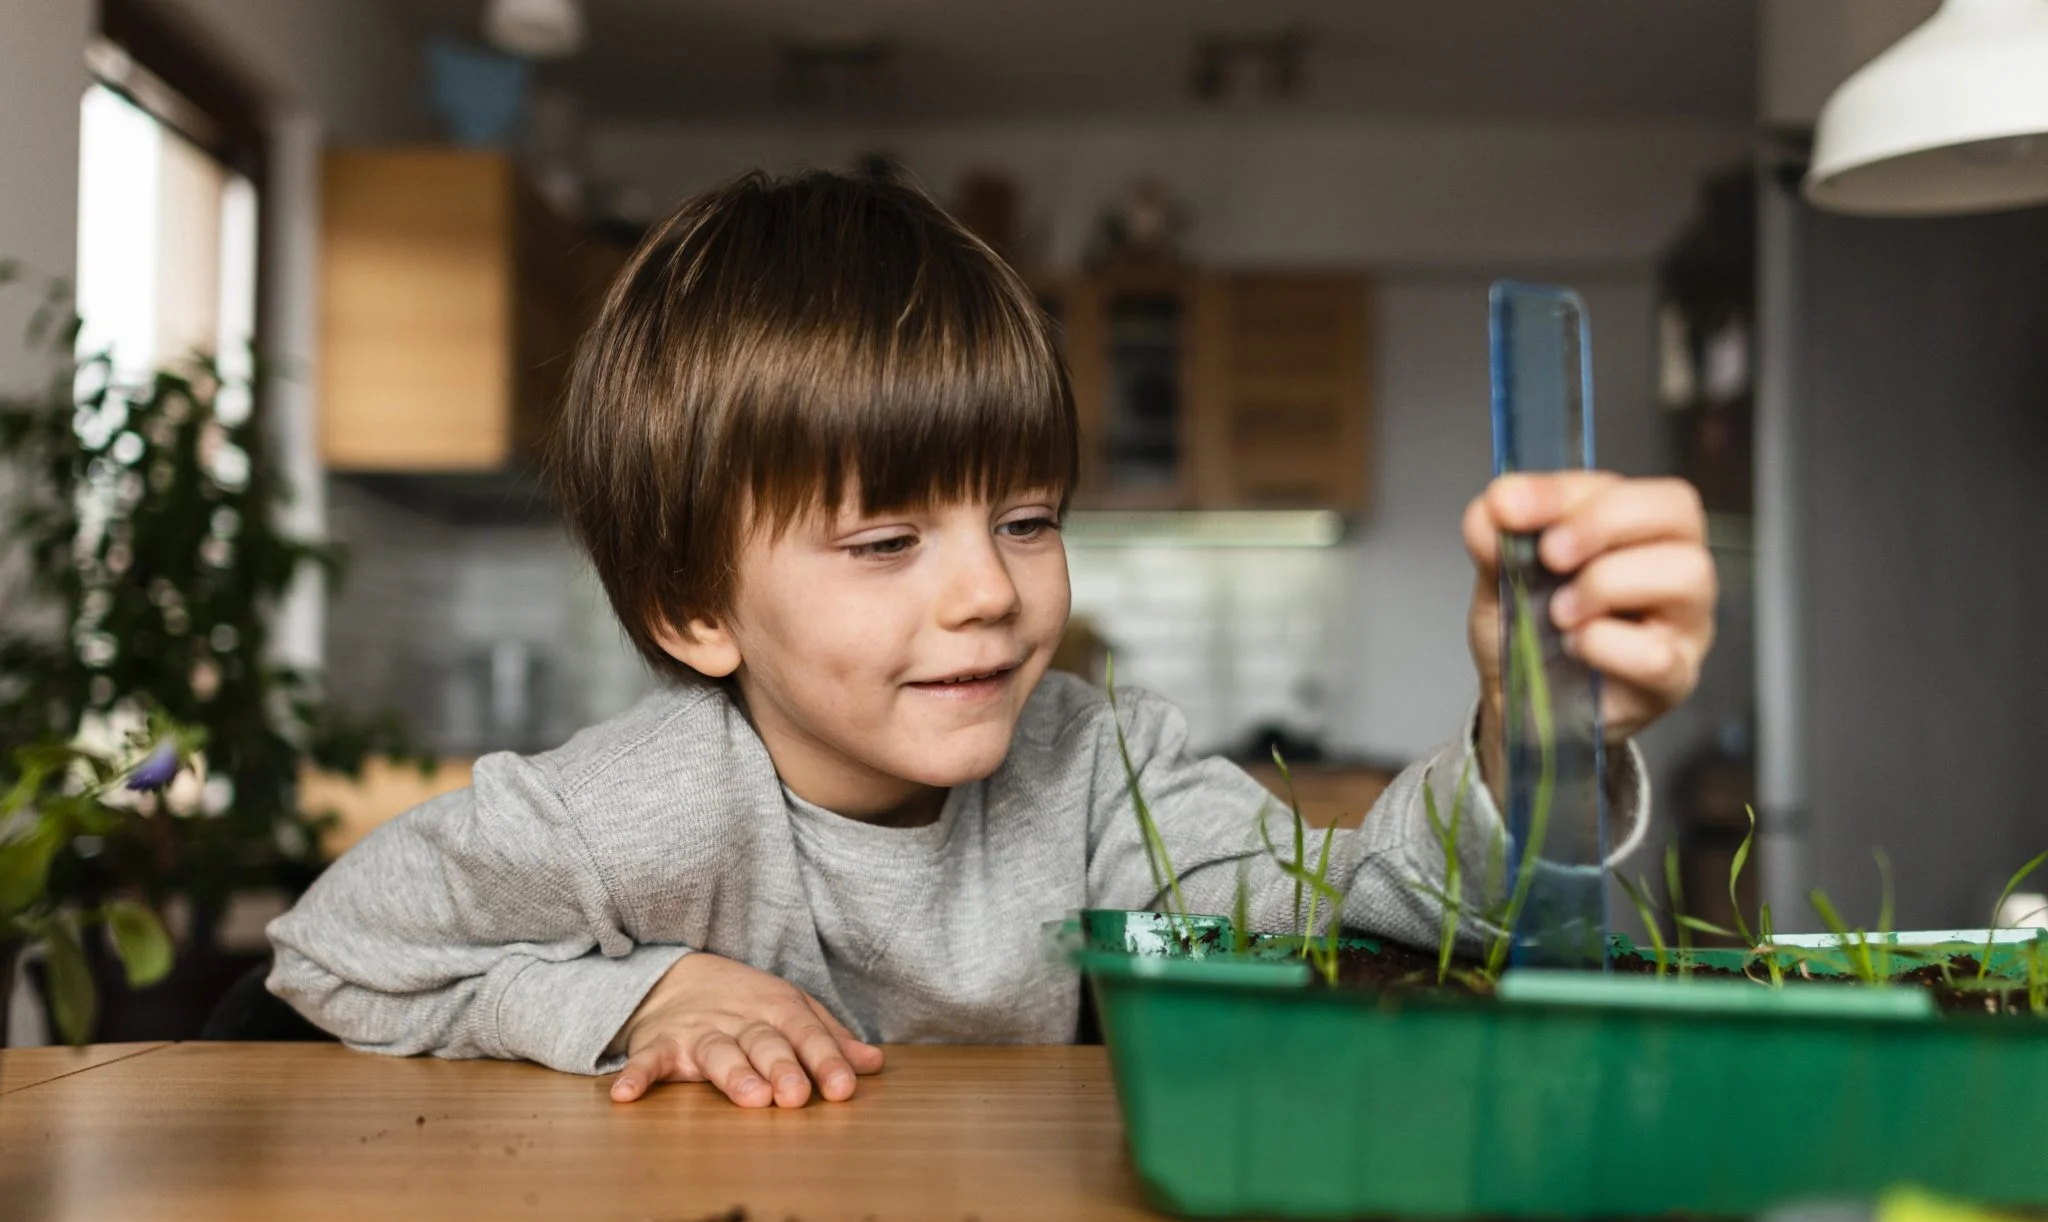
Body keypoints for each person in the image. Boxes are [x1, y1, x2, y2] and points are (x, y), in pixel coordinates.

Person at [267, 170, 1716, 1108]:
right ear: (694, 614)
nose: (990, 593)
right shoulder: (626, 807)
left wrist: (1527, 745)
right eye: (888, 541)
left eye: (1027, 519)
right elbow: (328, 955)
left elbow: (1365, 924)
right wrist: (636, 992)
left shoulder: (1096, 767)